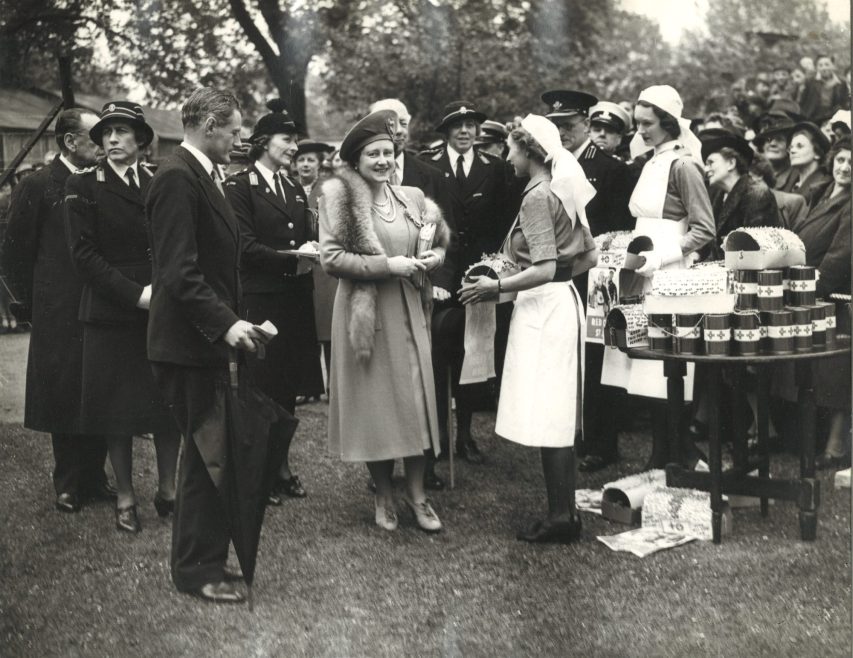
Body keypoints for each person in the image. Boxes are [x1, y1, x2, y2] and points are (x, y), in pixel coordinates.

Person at [146, 87, 262, 604]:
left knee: (207, 453)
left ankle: (205, 560)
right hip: (186, 344)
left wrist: (234, 319)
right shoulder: (176, 177)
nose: (239, 140)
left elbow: (213, 265)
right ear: (209, 126)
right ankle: (198, 572)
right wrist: (226, 324)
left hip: (203, 340)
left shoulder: (203, 176)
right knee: (201, 457)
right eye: (235, 130)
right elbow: (179, 271)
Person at [459, 115, 597, 543]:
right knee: (554, 409)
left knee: (549, 411)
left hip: (543, 309)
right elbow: (588, 258)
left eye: (512, 149)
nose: (507, 156)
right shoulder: (563, 187)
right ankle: (564, 511)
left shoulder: (537, 195)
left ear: (529, 152)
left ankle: (560, 517)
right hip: (562, 302)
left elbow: (543, 267)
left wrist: (496, 285)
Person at [319, 109, 450, 532]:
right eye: (373, 154)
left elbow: (438, 239)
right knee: (376, 407)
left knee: (415, 401)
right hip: (366, 314)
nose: (382, 161)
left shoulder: (411, 197)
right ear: (355, 161)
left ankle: (418, 496)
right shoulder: (339, 199)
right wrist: (387, 266)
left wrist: (435, 257)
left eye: (388, 152)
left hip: (410, 311)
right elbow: (332, 259)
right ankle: (383, 495)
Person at [63, 102, 180, 532]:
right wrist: (136, 296)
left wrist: (165, 293)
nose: (112, 139)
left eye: (122, 131)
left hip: (163, 307)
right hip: (112, 312)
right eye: (106, 132)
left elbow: (174, 242)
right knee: (117, 412)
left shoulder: (159, 180)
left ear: (141, 139)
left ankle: (169, 491)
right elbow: (84, 257)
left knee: (168, 402)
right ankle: (126, 497)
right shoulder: (83, 186)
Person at [1, 108, 115, 514]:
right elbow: (13, 251)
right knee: (63, 392)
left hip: (99, 303)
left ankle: (96, 477)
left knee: (97, 387)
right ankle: (68, 483)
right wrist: (32, 304)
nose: (105, 146)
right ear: (70, 142)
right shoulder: (37, 185)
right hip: (58, 309)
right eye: (95, 138)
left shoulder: (101, 182)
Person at [602, 85, 716, 469]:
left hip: (670, 276)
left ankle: (676, 452)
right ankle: (661, 454)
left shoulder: (683, 165)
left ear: (668, 123)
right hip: (643, 271)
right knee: (644, 367)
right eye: (637, 124)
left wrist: (662, 258)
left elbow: (704, 229)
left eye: (647, 124)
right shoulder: (651, 162)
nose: (641, 130)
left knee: (669, 367)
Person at [224, 100, 320, 503]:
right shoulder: (240, 186)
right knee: (260, 389)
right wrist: (292, 257)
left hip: (296, 298)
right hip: (262, 300)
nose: (295, 147)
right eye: (288, 139)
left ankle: (280, 468)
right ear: (263, 142)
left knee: (288, 389)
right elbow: (243, 246)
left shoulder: (292, 186)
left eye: (295, 139)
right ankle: (257, 474)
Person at [541, 89, 635, 473]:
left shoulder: (611, 169)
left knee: (597, 357)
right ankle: (571, 432)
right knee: (565, 354)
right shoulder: (549, 166)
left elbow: (621, 227)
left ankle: (601, 441)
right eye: (556, 125)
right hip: (559, 272)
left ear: (586, 124)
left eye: (569, 125)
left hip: (597, 275)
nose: (562, 132)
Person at [421, 100, 514, 464]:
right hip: (441, 272)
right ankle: (439, 433)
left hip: (480, 275)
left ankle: (466, 434)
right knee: (439, 352)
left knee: (474, 353)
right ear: (445, 132)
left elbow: (505, 223)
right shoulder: (428, 166)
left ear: (478, 131)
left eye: (471, 126)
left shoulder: (496, 168)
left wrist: (494, 269)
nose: (465, 132)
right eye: (457, 126)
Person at [369, 97, 454, 489]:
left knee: (426, 378)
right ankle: (383, 468)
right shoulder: (359, 178)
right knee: (383, 384)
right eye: (389, 123)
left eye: (402, 122)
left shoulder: (427, 173)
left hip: (424, 291)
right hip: (379, 294)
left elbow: (445, 233)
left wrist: (439, 275)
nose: (398, 129)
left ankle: (427, 464)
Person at [774, 137, 851, 468]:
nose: (845, 167)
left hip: (833, 293)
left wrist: (812, 285)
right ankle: (809, 439)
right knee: (816, 372)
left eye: (852, 163)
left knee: (836, 373)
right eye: (841, 160)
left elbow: (841, 253)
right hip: (809, 287)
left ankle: (835, 447)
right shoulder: (823, 194)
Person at [699, 128, 780, 260]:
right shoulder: (718, 196)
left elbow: (755, 251)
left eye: (711, 162)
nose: (705, 169)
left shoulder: (756, 194)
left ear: (731, 163)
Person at [780, 122, 832, 203]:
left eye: (799, 146)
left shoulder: (823, 186)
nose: (792, 151)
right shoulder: (791, 180)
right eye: (791, 148)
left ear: (817, 153)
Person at [800, 55, 850, 122]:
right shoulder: (810, 82)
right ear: (817, 68)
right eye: (820, 65)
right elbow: (803, 101)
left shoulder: (841, 82)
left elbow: (844, 103)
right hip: (812, 117)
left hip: (834, 117)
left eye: (827, 64)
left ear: (833, 66)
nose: (824, 68)